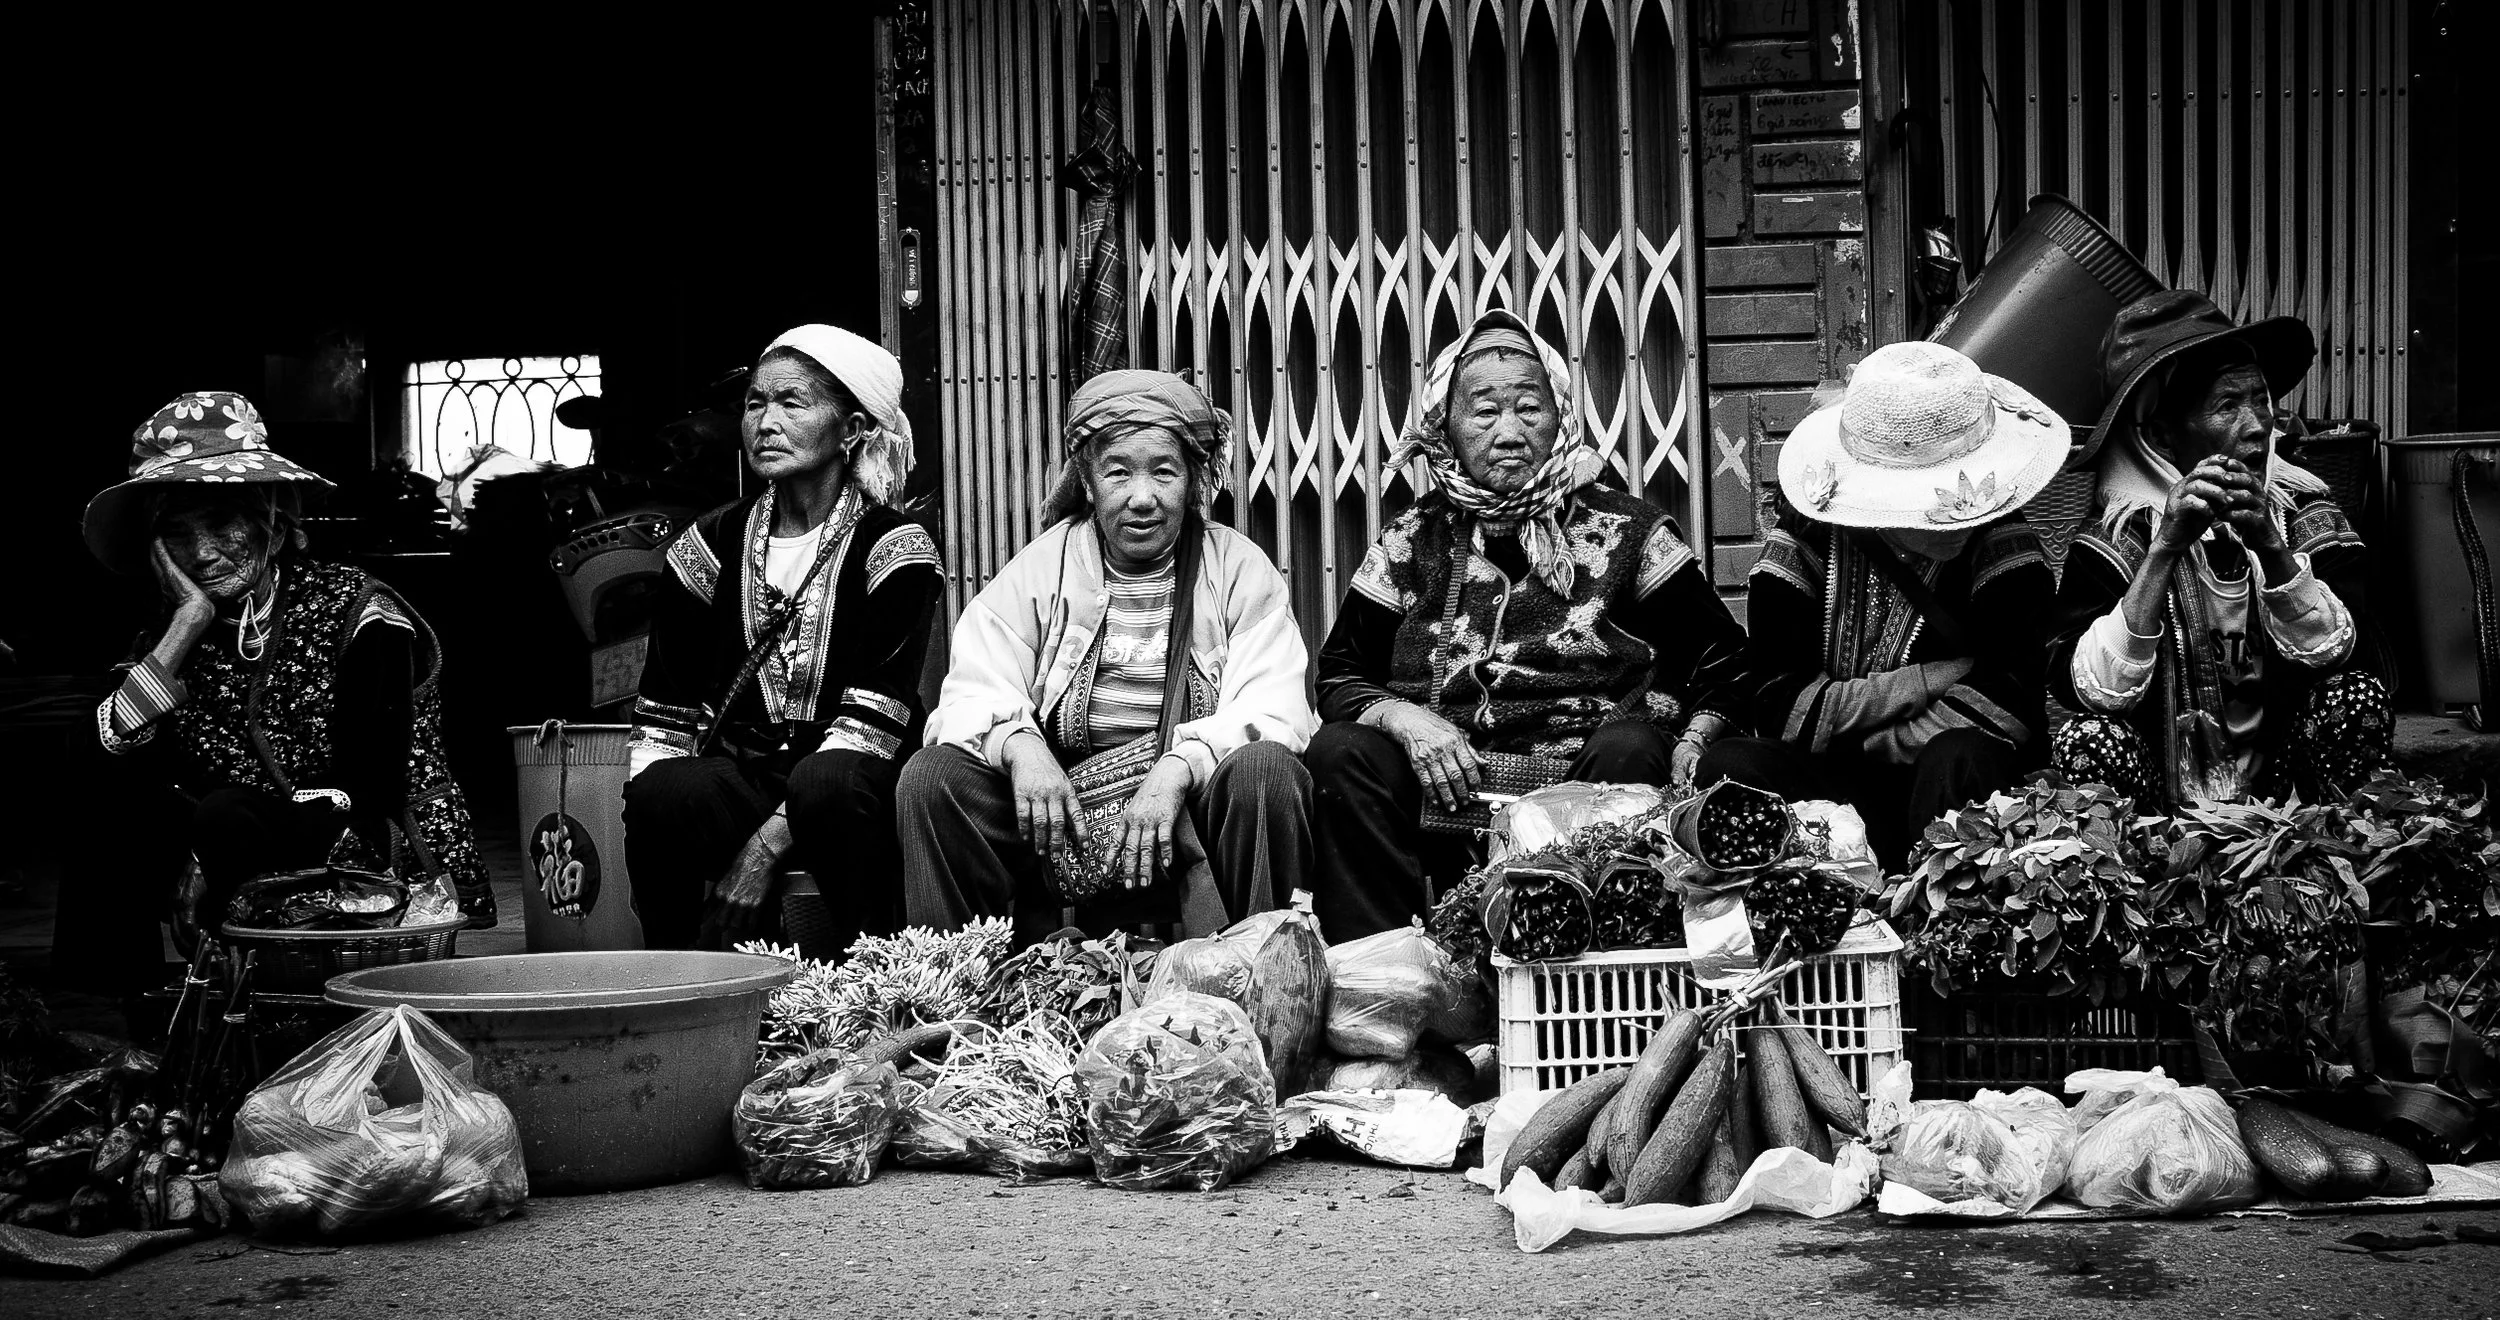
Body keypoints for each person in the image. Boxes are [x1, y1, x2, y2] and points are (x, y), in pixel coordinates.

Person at [1306, 309, 1749, 941]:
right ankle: (1392, 974)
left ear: (1561, 419)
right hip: (1445, 777)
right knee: (1342, 753)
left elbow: (1725, 659)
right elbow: (1341, 673)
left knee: (1632, 747)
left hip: (1588, 774)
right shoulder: (1412, 536)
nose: (1509, 432)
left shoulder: (1630, 530)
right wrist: (1404, 719)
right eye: (1485, 412)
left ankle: (1587, 979)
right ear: (1445, 430)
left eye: (1529, 409)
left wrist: (1694, 738)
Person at [64, 391, 493, 996]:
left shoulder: (360, 613)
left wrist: (205, 855)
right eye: (177, 536)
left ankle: (246, 986)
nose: (203, 554)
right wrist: (184, 623)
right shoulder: (177, 627)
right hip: (232, 834)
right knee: (109, 799)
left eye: (220, 524)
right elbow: (93, 756)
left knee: (224, 814)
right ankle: (111, 1012)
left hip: (357, 840)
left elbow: (367, 792)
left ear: (273, 516)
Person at [898, 370, 1315, 939]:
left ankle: (1263, 979)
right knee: (932, 778)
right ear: (1089, 483)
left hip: (1191, 805)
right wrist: (1020, 747)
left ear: (1193, 481)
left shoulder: (1238, 568)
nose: (1141, 497)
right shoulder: (1044, 567)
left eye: (1164, 472)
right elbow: (975, 685)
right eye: (1118, 473)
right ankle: (962, 994)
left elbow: (1275, 710)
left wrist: (1176, 769)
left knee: (1266, 769)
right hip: (1061, 813)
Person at [622, 325, 941, 950]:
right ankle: (687, 985)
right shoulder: (709, 543)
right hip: (749, 770)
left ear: (851, 430)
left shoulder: (894, 548)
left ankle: (876, 985)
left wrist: (764, 849)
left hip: (856, 774)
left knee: (826, 783)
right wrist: (650, 803)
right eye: (754, 403)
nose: (766, 421)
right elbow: (665, 710)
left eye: (792, 402)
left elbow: (872, 724)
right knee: (662, 790)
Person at [1700, 341, 2064, 866]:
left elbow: (2009, 701)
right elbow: (1783, 709)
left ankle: (1947, 931)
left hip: (1949, 787)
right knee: (1733, 765)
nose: (1953, 517)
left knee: (1961, 755)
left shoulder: (2000, 541)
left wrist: (1870, 739)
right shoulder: (1803, 545)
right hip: (1831, 792)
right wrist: (1924, 682)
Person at [2045, 290, 2390, 807]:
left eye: (2260, 399)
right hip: (2162, 809)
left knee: (2356, 695)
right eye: (2227, 406)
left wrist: (2271, 548)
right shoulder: (2115, 542)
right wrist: (2164, 548)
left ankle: (2328, 852)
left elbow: (2364, 657)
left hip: (2290, 800)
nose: (2257, 425)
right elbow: (2088, 691)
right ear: (2161, 437)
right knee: (2089, 741)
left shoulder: (2305, 514)